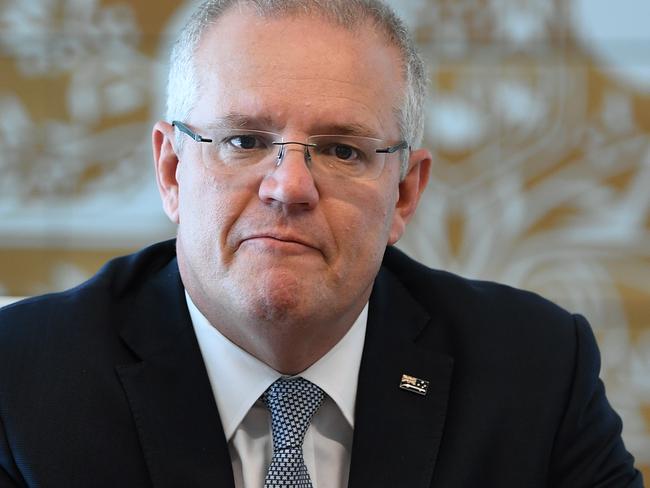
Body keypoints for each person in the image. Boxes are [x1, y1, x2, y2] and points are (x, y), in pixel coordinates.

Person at [0, 0, 644, 486]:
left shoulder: (536, 371)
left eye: (341, 150)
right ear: (172, 172)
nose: (289, 186)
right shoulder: (22, 381)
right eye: (245, 141)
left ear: (404, 194)